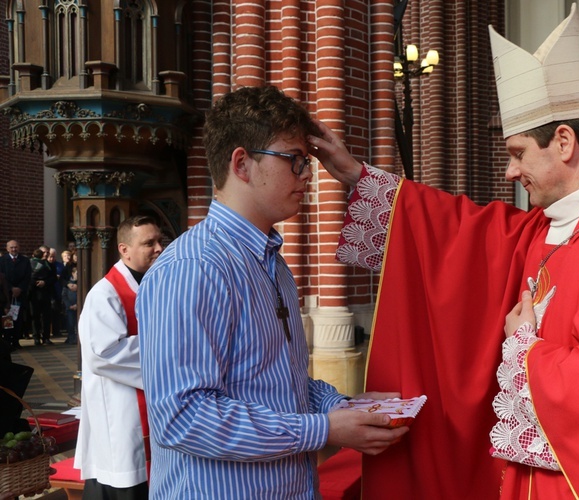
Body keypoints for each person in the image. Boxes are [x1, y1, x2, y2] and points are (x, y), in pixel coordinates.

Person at [308, 4, 579, 499]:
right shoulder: (544, 230)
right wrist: (358, 176)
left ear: (563, 142)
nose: (509, 172)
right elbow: (459, 236)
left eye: (518, 153)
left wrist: (527, 349)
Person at [136, 85, 408, 498]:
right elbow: (183, 417)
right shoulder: (193, 268)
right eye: (294, 160)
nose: (307, 175)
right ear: (242, 164)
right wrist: (323, 429)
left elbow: (281, 381)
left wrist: (339, 406)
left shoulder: (271, 260)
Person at [74, 215, 164, 499]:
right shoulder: (105, 294)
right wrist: (168, 347)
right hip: (122, 416)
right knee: (126, 483)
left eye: (160, 241)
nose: (159, 248)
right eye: (149, 243)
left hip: (152, 411)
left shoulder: (156, 284)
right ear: (124, 250)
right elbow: (102, 353)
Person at [0, 240, 32, 350]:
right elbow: (2, 278)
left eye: (16, 247)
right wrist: (11, 288)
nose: (14, 249)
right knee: (7, 318)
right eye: (12, 247)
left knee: (18, 318)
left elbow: (28, 276)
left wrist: (20, 288)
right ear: (7, 248)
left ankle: (16, 340)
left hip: (20, 294)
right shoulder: (2, 261)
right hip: (6, 295)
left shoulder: (25, 261)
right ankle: (8, 341)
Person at [29, 247, 55, 345]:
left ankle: (46, 337)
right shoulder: (31, 263)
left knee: (46, 317)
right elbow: (28, 275)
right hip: (34, 294)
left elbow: (53, 278)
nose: (45, 254)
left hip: (46, 293)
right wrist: (35, 282)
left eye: (47, 252)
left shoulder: (50, 265)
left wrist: (45, 282)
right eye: (43, 252)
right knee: (35, 316)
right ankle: (36, 337)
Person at [61, 267, 78, 345]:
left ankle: (78, 339)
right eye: (77, 273)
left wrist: (78, 304)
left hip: (78, 306)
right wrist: (69, 305)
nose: (78, 275)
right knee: (70, 324)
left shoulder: (80, 283)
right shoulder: (67, 283)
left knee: (78, 324)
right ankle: (71, 339)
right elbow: (64, 296)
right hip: (70, 307)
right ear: (73, 273)